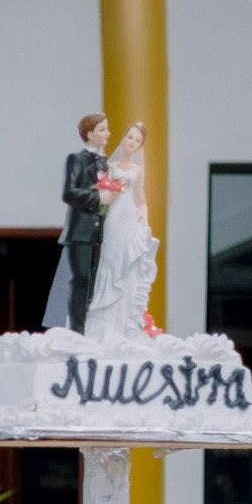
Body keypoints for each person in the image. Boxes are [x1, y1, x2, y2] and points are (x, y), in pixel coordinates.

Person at [84, 122, 159, 341]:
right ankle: (102, 318)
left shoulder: (137, 171)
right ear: (123, 138)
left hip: (130, 219)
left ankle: (123, 323)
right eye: (130, 137)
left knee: (128, 269)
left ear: (139, 146)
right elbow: (99, 195)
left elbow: (141, 198)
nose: (132, 142)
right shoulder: (109, 165)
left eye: (137, 140)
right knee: (109, 261)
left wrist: (144, 224)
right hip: (113, 219)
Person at [42, 112, 113, 333]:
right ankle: (76, 329)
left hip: (98, 230)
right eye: (102, 129)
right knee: (80, 278)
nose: (107, 134)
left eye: (107, 129)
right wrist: (97, 198)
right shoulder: (76, 159)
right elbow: (69, 192)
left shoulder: (105, 163)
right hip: (80, 230)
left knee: (93, 282)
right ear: (89, 133)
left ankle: (89, 327)